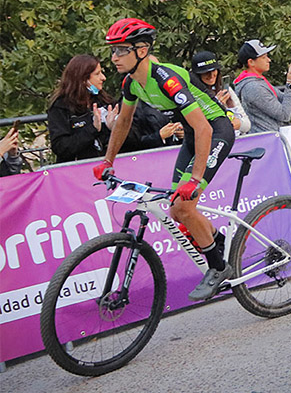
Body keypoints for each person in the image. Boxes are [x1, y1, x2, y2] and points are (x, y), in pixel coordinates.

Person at [93, 18, 236, 300]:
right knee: (177, 210)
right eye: (113, 51)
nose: (114, 57)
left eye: (121, 50)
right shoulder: (131, 83)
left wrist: (195, 180)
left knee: (183, 206)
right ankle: (218, 241)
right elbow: (123, 122)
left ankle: (219, 268)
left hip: (215, 129)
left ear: (142, 50)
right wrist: (108, 161)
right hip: (194, 134)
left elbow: (204, 127)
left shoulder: (166, 79)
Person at [47, 54, 118, 162]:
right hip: (77, 170)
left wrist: (114, 127)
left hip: (108, 165)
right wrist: (92, 129)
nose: (103, 78)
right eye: (97, 74)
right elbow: (60, 147)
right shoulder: (60, 106)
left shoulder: (104, 100)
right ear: (83, 79)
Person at [234, 39, 291, 132]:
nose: (269, 60)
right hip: (266, 140)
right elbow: (284, 115)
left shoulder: (258, 80)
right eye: (263, 57)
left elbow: (284, 99)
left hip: (270, 137)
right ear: (251, 62)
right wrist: (290, 84)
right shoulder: (253, 87)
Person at [192, 51, 250, 134]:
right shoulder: (193, 94)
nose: (211, 75)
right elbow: (199, 126)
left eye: (214, 71)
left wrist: (239, 124)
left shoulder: (225, 90)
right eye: (206, 72)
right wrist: (216, 104)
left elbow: (247, 125)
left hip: (236, 141)